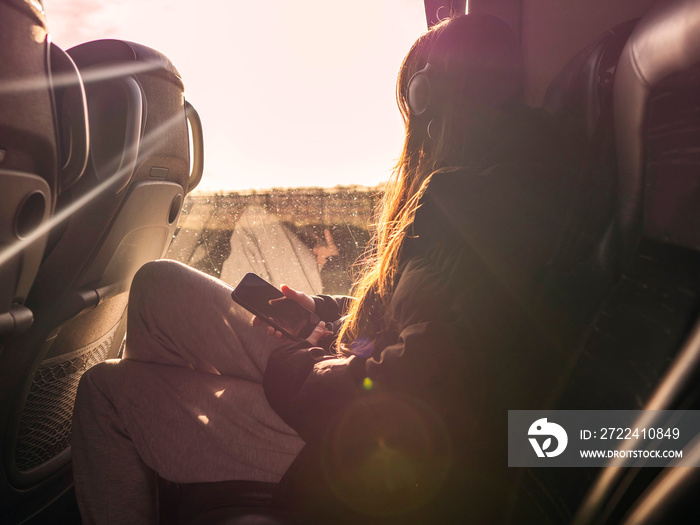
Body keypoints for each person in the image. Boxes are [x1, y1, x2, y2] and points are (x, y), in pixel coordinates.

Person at [72, 14, 589, 524]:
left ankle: (184, 461)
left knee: (107, 393)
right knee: (158, 284)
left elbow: (426, 380)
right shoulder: (509, 186)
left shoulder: (471, 201)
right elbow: (421, 324)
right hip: (344, 387)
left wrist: (302, 360)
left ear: (428, 98)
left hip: (354, 445)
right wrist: (322, 312)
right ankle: (186, 467)